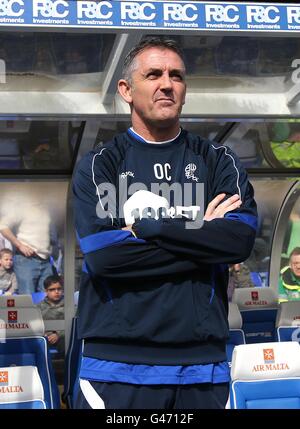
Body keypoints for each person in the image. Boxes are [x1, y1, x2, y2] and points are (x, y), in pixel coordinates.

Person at [72, 37, 257, 409]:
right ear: (126, 89)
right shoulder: (101, 164)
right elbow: (104, 258)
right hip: (117, 368)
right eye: (153, 74)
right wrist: (204, 238)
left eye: (177, 75)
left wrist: (152, 227)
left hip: (203, 368)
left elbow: (238, 239)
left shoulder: (218, 161)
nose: (167, 84)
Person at [0, 194, 56, 294]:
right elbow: (3, 226)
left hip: (46, 261)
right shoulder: (22, 208)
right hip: (26, 260)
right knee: (28, 300)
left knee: (47, 299)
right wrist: (20, 245)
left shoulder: (48, 210)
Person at [38, 275, 64, 353]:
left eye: (59, 289)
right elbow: (34, 325)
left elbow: (73, 324)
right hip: (44, 337)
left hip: (62, 338)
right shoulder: (38, 307)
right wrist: (45, 334)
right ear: (46, 291)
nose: (56, 292)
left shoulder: (69, 306)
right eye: (52, 289)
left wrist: (58, 334)